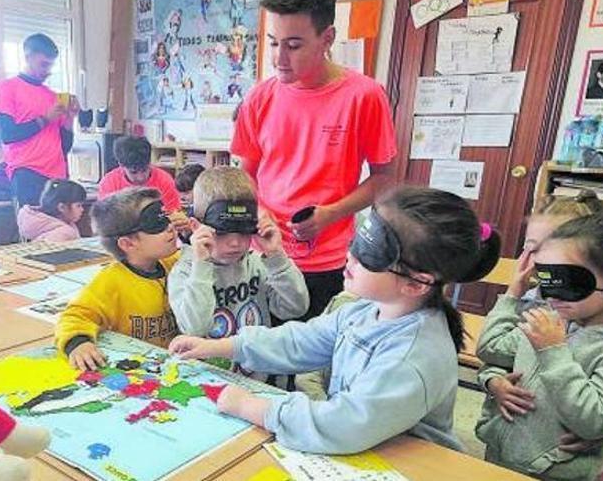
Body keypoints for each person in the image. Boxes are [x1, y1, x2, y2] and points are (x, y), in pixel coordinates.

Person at [169, 187, 500, 454]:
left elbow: (343, 425)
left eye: (369, 254)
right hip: (366, 448)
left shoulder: (413, 355)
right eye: (356, 241)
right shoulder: (366, 310)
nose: (349, 255)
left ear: (415, 283)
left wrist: (253, 407)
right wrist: (219, 346)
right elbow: (301, 341)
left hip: (406, 464)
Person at [232, 0, 397, 321]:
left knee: (310, 364)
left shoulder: (364, 96)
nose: (279, 58)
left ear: (327, 38)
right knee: (256, 356)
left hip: (326, 262)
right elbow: (243, 175)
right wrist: (259, 211)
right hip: (260, 256)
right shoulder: (259, 97)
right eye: (274, 43)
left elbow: (383, 179)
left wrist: (330, 214)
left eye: (293, 45)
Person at [475, 214, 603, 480]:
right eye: (546, 279)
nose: (552, 296)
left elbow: (595, 422)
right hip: (500, 458)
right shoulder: (549, 319)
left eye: (569, 281)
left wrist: (553, 352)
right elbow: (492, 349)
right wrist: (492, 380)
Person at [168, 168, 308, 378]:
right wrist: (202, 265)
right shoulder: (186, 271)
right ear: (196, 227)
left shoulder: (257, 262)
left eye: (244, 231)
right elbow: (195, 328)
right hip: (208, 382)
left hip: (260, 382)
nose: (235, 242)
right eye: (222, 232)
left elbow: (295, 308)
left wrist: (276, 255)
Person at [56, 188, 180, 371]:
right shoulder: (111, 281)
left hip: (177, 363)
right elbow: (75, 315)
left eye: (166, 217)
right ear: (128, 243)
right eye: (155, 224)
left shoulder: (176, 265)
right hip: (138, 370)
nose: (170, 227)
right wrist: (79, 343)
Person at [0, 33, 79, 206]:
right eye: (43, 64)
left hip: (57, 174)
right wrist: (45, 119)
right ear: (28, 57)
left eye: (50, 65)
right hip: (27, 172)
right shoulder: (7, 88)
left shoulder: (53, 96)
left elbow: (64, 147)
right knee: (34, 230)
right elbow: (8, 134)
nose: (47, 71)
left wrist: (69, 120)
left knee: (62, 231)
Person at [98, 136, 183, 214]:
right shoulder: (109, 183)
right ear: (121, 164)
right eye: (133, 172)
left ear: (150, 162)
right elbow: (106, 221)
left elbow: (174, 215)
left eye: (144, 170)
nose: (141, 177)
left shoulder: (165, 180)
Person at [16, 179, 87, 242]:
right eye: (78, 206)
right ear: (62, 207)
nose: (82, 209)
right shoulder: (64, 234)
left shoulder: (42, 223)